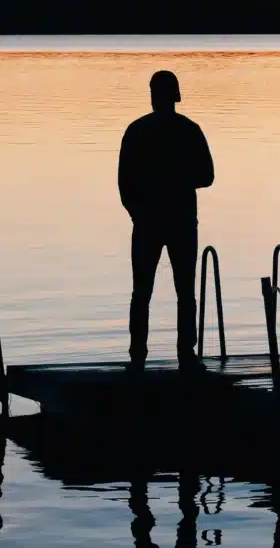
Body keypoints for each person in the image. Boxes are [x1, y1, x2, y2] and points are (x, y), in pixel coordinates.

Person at [118, 70, 214, 371]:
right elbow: (207, 177)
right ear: (176, 95)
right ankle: (186, 354)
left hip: (148, 221)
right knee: (185, 290)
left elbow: (124, 183)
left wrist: (137, 211)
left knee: (141, 292)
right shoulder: (190, 130)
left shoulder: (136, 130)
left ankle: (137, 356)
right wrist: (180, 181)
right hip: (181, 220)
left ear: (152, 95)